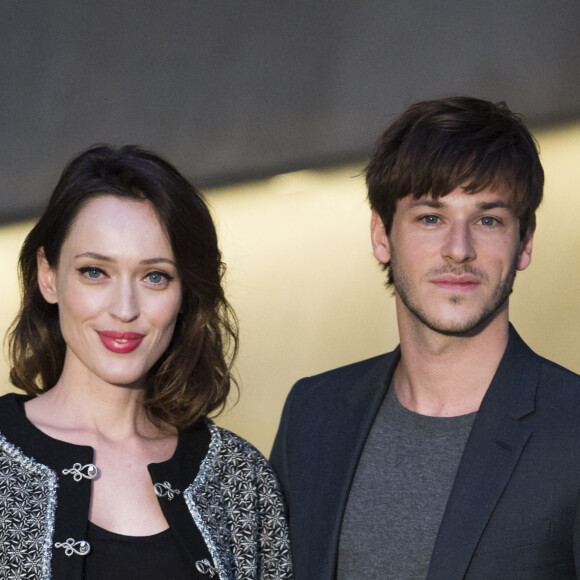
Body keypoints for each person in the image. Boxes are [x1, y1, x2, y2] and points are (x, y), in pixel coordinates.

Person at [270, 97, 580, 579]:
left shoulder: (573, 427)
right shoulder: (313, 413)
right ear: (381, 235)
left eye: (488, 220)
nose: (459, 250)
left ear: (525, 242)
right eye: (431, 218)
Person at [2, 145, 293, 580]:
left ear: (185, 294)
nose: (125, 309)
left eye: (155, 276)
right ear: (48, 276)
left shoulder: (239, 477)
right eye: (94, 272)